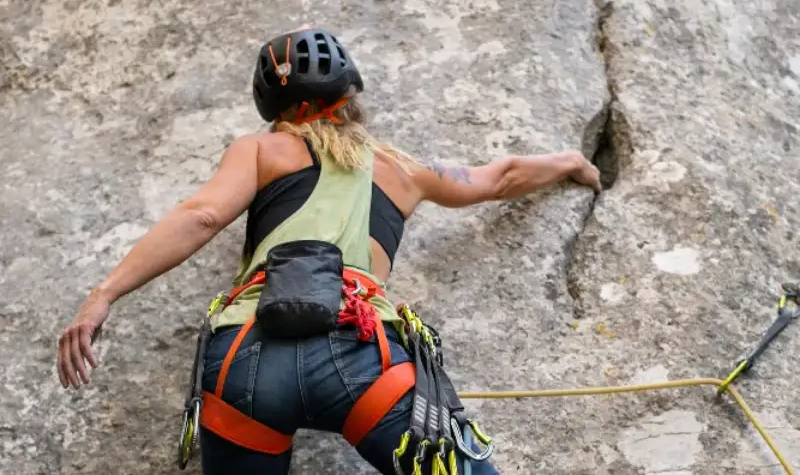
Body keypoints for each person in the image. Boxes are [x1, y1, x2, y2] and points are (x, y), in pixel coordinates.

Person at [57, 27, 601, 475]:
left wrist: (104, 294)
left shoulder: (262, 149)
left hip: (248, 359)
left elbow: (201, 216)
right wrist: (572, 161)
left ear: (277, 109)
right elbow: (501, 177)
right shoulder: (402, 169)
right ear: (351, 97)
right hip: (364, 357)